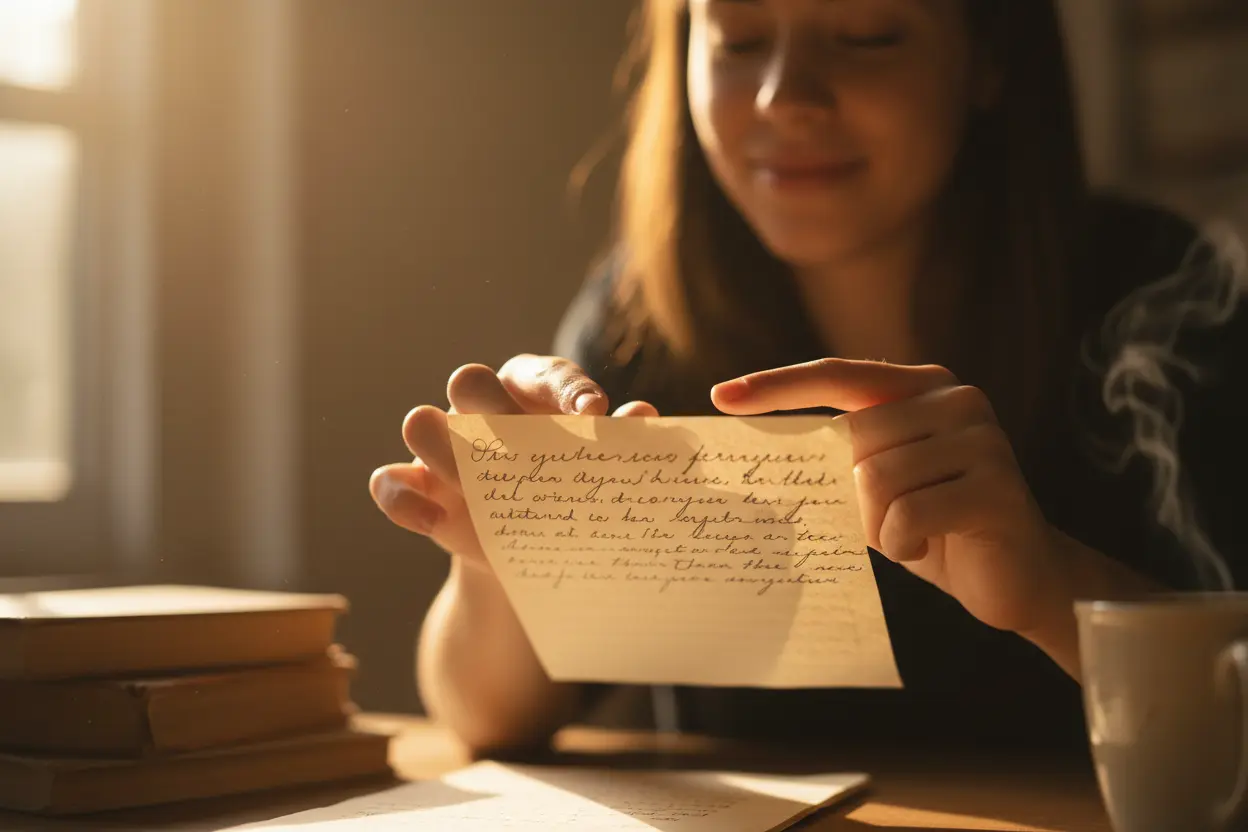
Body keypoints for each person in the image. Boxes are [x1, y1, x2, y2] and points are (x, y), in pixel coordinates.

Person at [370, 0, 1248, 755]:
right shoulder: (643, 320)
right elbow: (487, 722)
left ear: (987, 56)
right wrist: (504, 563)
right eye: (741, 38)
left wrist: (1054, 587)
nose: (783, 96)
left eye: (866, 35)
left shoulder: (1167, 302)